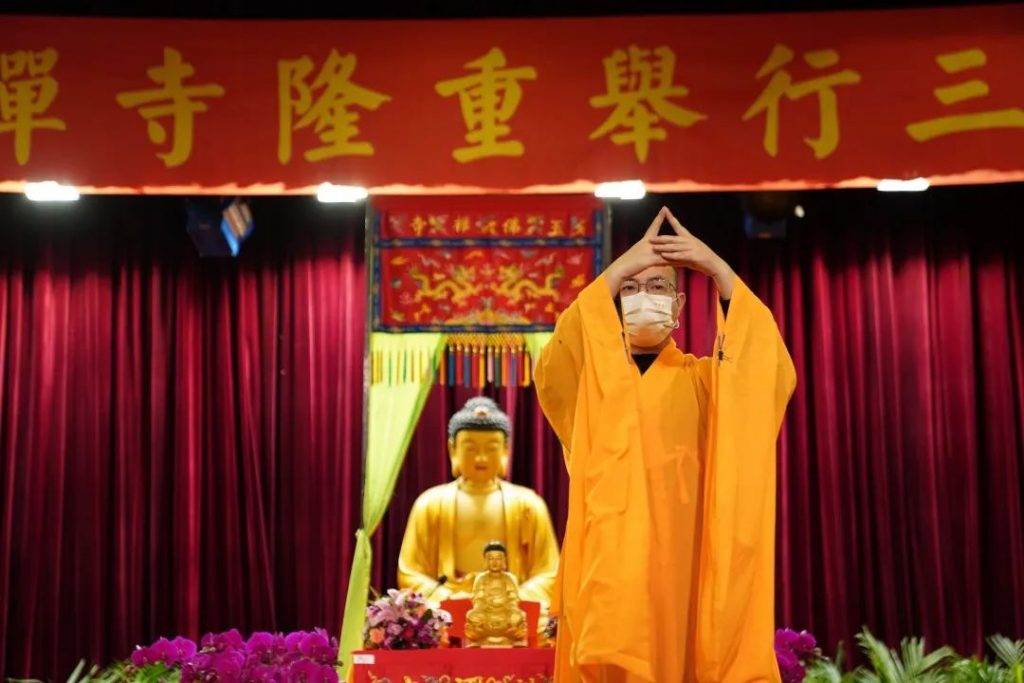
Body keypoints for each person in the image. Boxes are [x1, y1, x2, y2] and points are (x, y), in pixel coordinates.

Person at [534, 207, 796, 682]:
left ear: (678, 305)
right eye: (630, 289)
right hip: (611, 569)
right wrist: (615, 272)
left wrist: (718, 269)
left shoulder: (706, 383)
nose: (643, 297)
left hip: (688, 565)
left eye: (657, 287)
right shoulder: (595, 386)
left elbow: (763, 373)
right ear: (614, 305)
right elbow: (555, 368)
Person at [397, 397, 559, 611]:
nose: (481, 458)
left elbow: (550, 574)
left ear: (505, 450)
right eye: (471, 448)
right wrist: (449, 599)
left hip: (511, 610)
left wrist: (512, 598)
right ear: (453, 449)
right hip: (449, 611)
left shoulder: (529, 505)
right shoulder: (429, 504)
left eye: (491, 448)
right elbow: (409, 574)